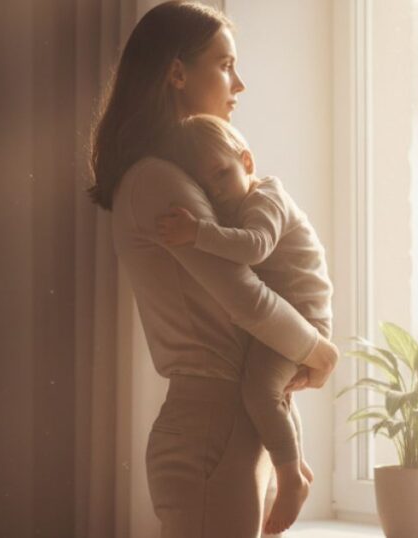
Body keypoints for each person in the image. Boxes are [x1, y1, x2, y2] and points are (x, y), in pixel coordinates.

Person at [87, 2, 340, 537]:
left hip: (223, 425)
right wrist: (320, 352)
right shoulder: (158, 181)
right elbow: (245, 297)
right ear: (178, 72)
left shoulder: (169, 175)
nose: (239, 83)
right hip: (213, 426)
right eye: (225, 64)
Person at [154, 114, 333, 535]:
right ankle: (298, 468)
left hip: (302, 316)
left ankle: (290, 477)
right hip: (288, 314)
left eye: (222, 174)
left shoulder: (266, 199)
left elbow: (254, 248)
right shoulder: (241, 203)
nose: (216, 190)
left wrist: (196, 231)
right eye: (205, 185)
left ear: (247, 162)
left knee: (259, 390)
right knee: (276, 391)